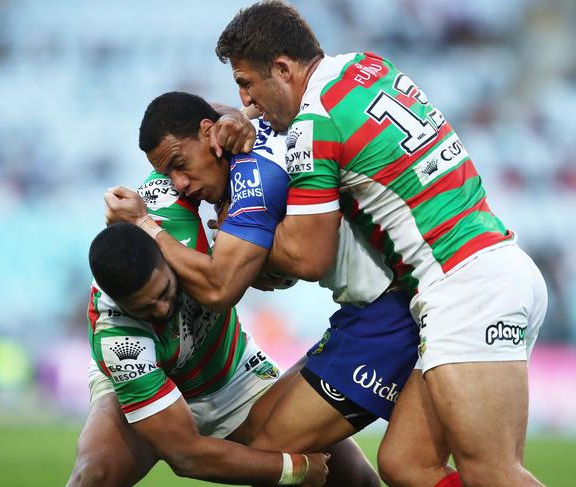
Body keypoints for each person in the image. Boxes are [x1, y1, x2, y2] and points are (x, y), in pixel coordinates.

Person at [214, 2, 548, 487]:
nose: (245, 100)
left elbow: (308, 258)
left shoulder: (314, 123)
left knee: (492, 471)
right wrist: (247, 124)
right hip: (483, 268)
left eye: (247, 83)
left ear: (283, 69)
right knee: (406, 464)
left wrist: (236, 228)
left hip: (466, 286)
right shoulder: (366, 66)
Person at [103, 91, 422, 486]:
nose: (180, 184)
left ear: (210, 135)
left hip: (385, 312)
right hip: (361, 313)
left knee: (279, 453)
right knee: (402, 466)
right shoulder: (241, 144)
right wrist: (235, 114)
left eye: (180, 165)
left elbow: (224, 287)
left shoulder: (252, 171)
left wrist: (146, 227)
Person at [67, 173, 330, 487]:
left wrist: (240, 122)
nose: (162, 309)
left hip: (233, 371)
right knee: (93, 476)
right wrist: (293, 469)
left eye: (165, 292)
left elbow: (195, 145)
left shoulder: (166, 205)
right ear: (121, 304)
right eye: (145, 310)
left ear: (165, 254)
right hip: (154, 385)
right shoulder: (117, 338)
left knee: (355, 478)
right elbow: (185, 455)